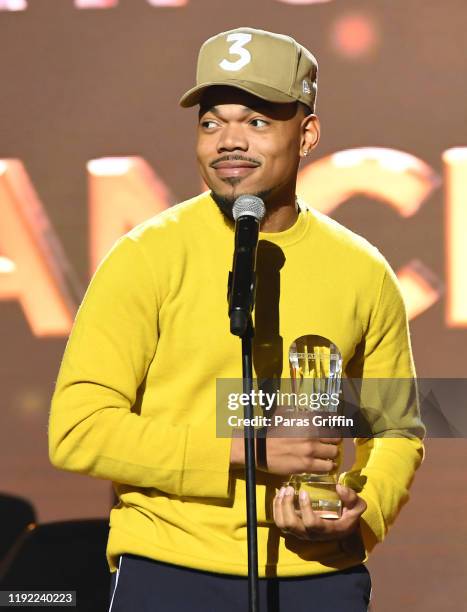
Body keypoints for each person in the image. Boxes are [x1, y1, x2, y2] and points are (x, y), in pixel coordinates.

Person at [48, 27, 425, 611]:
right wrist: (248, 449)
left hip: (321, 576)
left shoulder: (363, 270)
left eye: (255, 122)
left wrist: (359, 511)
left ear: (307, 135)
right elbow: (78, 430)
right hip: (171, 570)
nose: (228, 141)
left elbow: (396, 428)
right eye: (211, 122)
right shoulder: (145, 256)